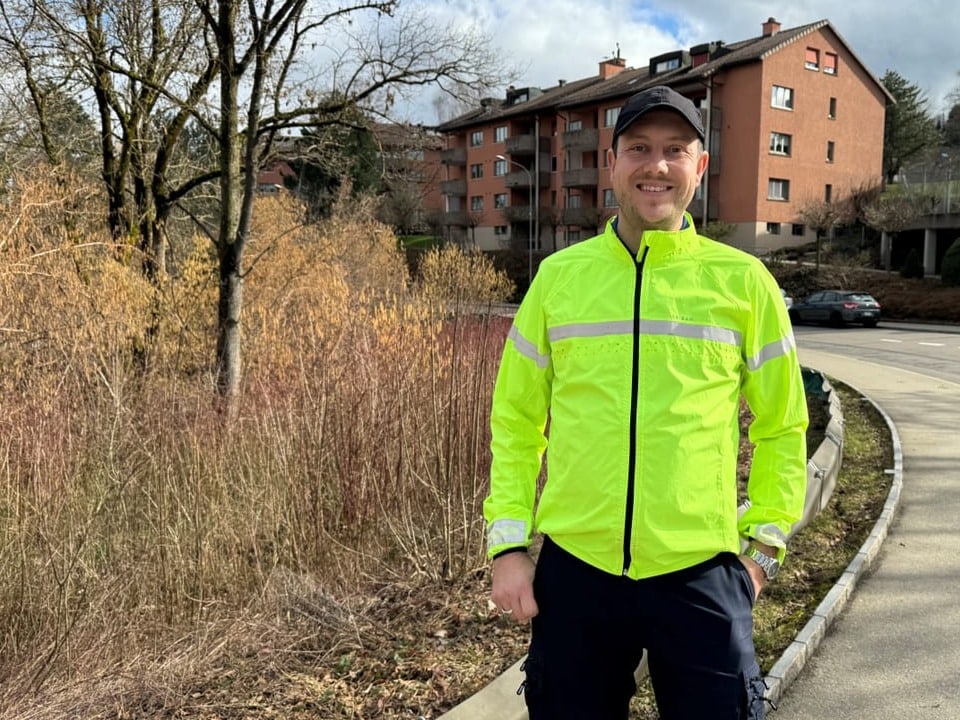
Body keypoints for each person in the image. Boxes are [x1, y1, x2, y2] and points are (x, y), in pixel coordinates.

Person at [483, 85, 808, 720]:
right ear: (612, 164)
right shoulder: (559, 280)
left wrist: (762, 551)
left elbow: (783, 425)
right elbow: (516, 421)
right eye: (638, 148)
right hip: (578, 573)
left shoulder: (744, 283)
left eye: (674, 150)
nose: (655, 166)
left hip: (702, 571)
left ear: (699, 166)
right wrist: (509, 548)